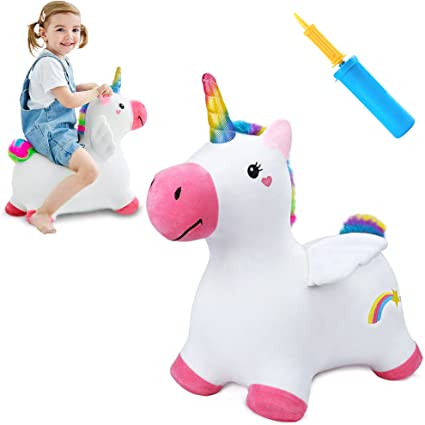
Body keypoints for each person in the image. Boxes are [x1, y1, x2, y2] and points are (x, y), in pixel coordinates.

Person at [21, 1, 113, 234]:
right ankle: (43, 213)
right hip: (48, 130)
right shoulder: (49, 64)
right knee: (90, 171)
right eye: (60, 29)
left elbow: (63, 89)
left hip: (57, 126)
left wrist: (86, 86)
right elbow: (68, 100)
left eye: (75, 29)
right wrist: (94, 93)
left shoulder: (59, 59)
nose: (69, 36)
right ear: (44, 33)